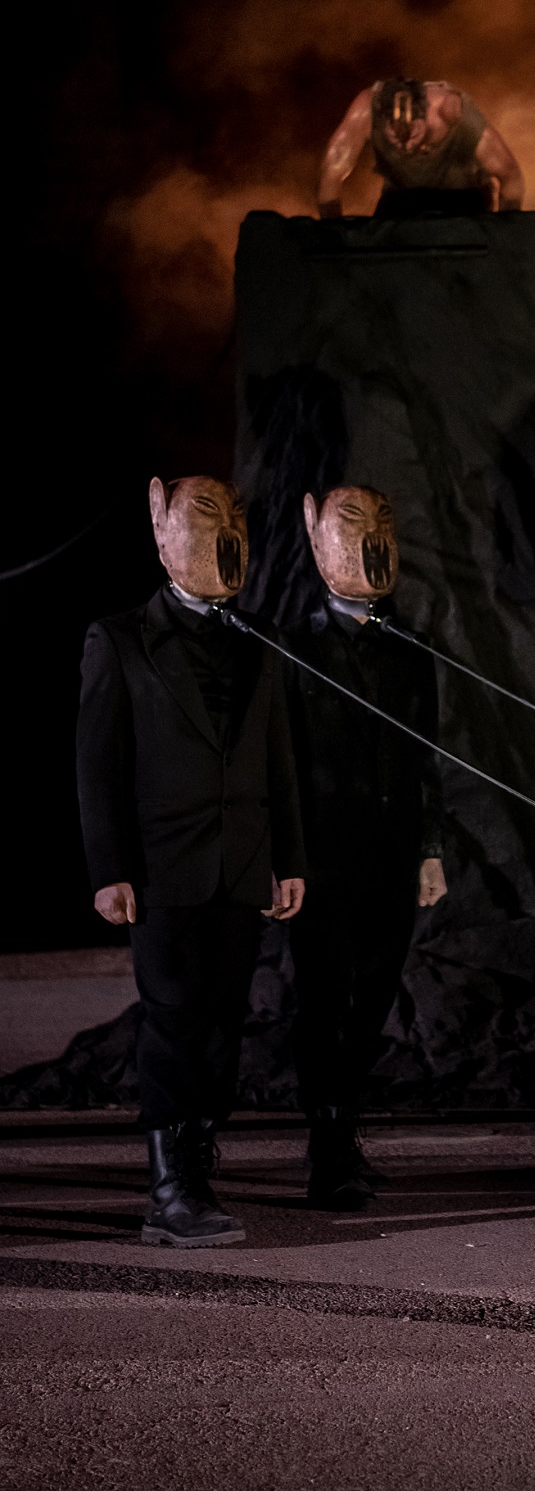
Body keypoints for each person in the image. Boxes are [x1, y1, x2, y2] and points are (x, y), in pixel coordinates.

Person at [78, 476, 306, 1247]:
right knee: (172, 1017)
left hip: (240, 864)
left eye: (233, 520)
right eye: (203, 518)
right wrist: (109, 869)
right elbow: (97, 766)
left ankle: (197, 1160)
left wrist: (287, 858)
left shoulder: (260, 639)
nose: (223, 536)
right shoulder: (119, 639)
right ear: (160, 526)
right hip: (161, 869)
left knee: (223, 1019)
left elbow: (279, 758)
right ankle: (170, 1188)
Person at [284, 485, 448, 1210]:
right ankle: (327, 1148)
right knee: (325, 998)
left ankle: (342, 1130)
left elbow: (427, 758)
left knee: (374, 995)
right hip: (322, 859)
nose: (371, 543)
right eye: (352, 526)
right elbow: (280, 763)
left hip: (392, 853)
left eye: (382, 527)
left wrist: (430, 849)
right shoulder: (293, 649)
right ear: (317, 535)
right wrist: (284, 858)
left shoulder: (409, 650)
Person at [317, 77, 524, 218]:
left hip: (465, 199)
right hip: (403, 200)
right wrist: (335, 237)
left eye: (412, 133)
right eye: (395, 136)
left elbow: (510, 175)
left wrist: (502, 235)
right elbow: (331, 175)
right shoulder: (365, 111)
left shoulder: (451, 111)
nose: (405, 144)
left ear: (426, 117)